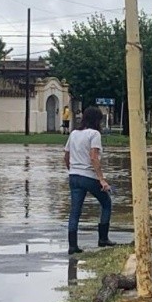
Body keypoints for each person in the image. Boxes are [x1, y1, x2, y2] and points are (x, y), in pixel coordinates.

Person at [64, 106, 117, 255]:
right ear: (97, 120)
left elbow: (66, 156)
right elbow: (94, 157)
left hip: (74, 176)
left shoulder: (73, 133)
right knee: (106, 203)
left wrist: (72, 170)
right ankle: (103, 238)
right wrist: (102, 180)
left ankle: (72, 246)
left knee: (75, 211)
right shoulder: (94, 134)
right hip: (88, 176)